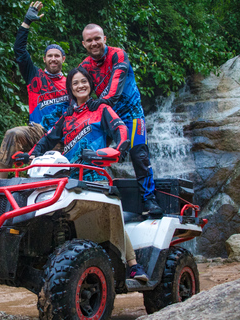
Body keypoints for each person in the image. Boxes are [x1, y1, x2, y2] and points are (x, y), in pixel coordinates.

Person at [26, 67, 149, 282]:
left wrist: (115, 150)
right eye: (75, 83)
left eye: (84, 82)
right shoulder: (67, 116)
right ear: (70, 89)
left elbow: (121, 130)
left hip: (97, 176)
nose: (80, 86)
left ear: (90, 84)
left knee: (112, 220)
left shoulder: (102, 109)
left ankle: (133, 265)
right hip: (70, 179)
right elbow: (47, 138)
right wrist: (31, 155)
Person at [79, 24, 163, 216]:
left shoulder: (118, 55)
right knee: (86, 148)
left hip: (132, 115)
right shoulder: (84, 66)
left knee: (139, 154)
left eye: (97, 38)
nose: (94, 43)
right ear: (84, 44)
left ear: (105, 38)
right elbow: (77, 90)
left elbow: (115, 85)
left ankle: (149, 199)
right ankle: (88, 195)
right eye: (89, 40)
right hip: (108, 117)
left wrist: (100, 102)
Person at [0, 1, 69, 179]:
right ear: (44, 59)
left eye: (57, 56)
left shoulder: (71, 83)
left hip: (61, 134)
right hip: (37, 130)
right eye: (50, 56)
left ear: (63, 59)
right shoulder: (34, 76)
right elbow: (19, 51)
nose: (53, 59)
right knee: (13, 134)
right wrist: (26, 23)